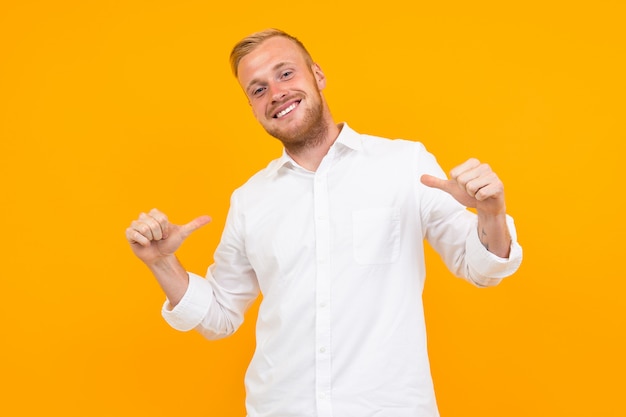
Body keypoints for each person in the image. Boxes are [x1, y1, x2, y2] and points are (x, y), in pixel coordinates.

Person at [125, 28, 523, 417]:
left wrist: (490, 213)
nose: (276, 92)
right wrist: (162, 262)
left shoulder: (405, 164)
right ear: (252, 107)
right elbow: (220, 316)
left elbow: (481, 268)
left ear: (317, 75)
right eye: (258, 89)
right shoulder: (250, 200)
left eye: (285, 73)